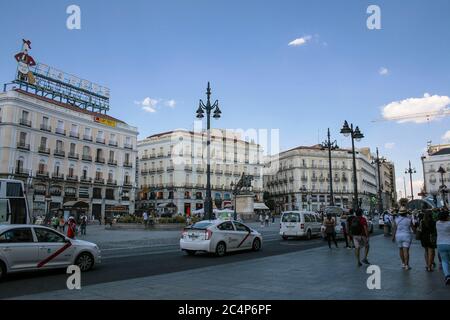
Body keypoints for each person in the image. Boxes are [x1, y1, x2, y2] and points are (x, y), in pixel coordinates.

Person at [436, 209, 450, 285]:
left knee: (444, 261)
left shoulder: (437, 223)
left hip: (440, 244)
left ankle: (447, 276)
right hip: (449, 243)